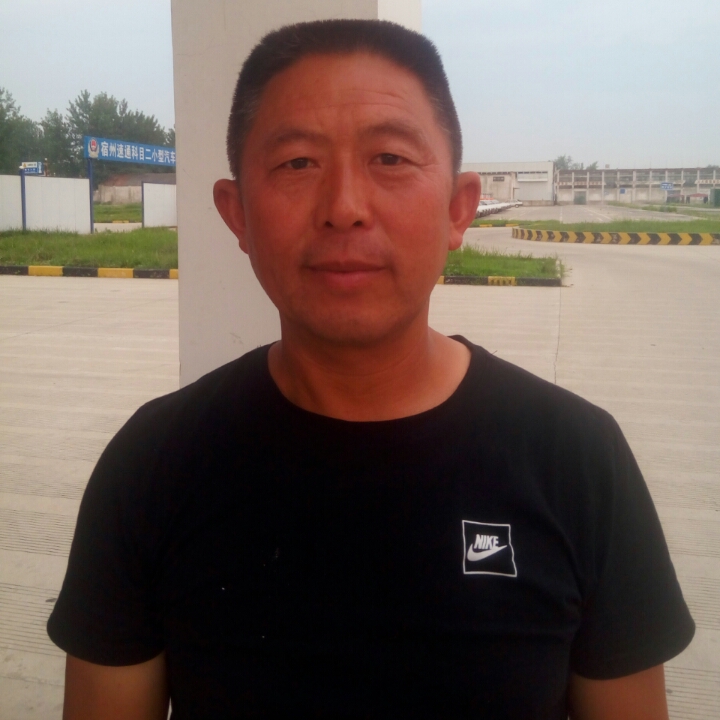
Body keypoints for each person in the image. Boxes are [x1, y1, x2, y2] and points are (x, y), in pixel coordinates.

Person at [48, 19, 694, 720]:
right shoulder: (153, 467)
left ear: (458, 210)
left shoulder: (578, 461)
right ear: (237, 216)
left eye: (389, 158)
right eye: (298, 163)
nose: (345, 209)